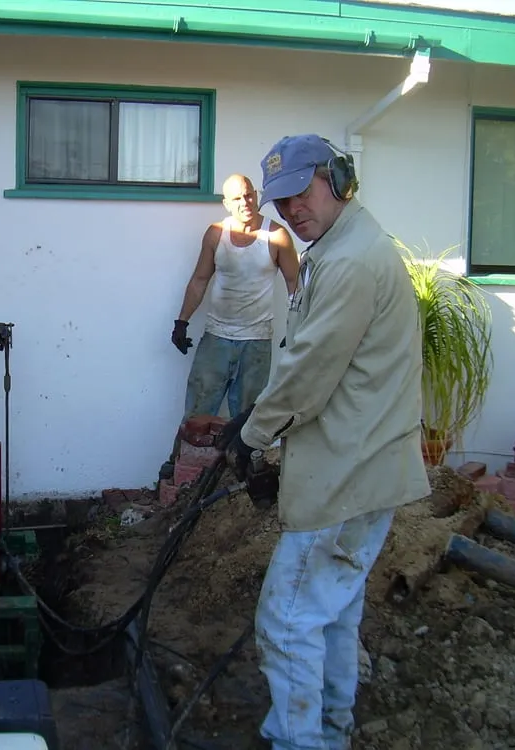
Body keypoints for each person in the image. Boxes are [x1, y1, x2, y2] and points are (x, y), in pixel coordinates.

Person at [217, 134, 431, 750]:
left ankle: (300, 741)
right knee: (333, 614)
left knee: (285, 621)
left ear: (336, 179)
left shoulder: (349, 261)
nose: (292, 211)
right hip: (365, 464)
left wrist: (253, 435)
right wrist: (261, 425)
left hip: (345, 474)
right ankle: (330, 729)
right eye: (280, 202)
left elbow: (309, 369)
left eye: (301, 193)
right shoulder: (343, 246)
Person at [171, 173, 299, 422]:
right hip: (216, 337)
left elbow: (294, 283)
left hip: (257, 342)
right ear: (227, 204)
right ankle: (183, 461)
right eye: (238, 198)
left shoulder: (276, 236)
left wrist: (296, 325)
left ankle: (237, 463)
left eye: (250, 195)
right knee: (197, 417)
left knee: (246, 420)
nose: (246, 202)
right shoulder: (216, 234)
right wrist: (182, 322)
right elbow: (199, 280)